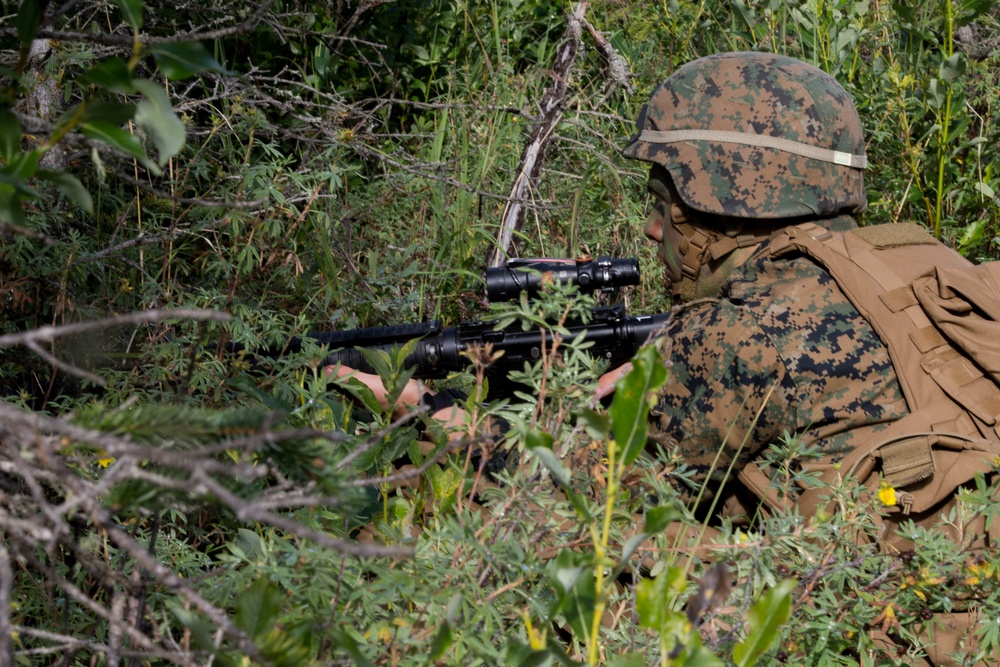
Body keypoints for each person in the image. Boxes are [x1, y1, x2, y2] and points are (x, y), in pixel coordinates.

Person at [334, 51, 906, 519]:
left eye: (664, 205)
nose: (654, 229)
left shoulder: (739, 336)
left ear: (729, 208)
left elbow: (581, 494)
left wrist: (426, 409)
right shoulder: (908, 262)